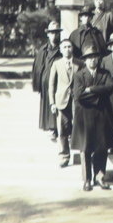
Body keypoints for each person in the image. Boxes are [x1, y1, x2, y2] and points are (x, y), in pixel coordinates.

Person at [71, 42, 113, 192]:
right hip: (84, 118)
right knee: (85, 150)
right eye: (89, 58)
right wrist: (98, 96)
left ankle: (100, 177)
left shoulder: (105, 74)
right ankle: (87, 180)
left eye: (95, 57)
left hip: (102, 116)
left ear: (98, 59)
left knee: (101, 148)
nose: (92, 60)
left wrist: (90, 89)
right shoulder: (79, 75)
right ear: (84, 60)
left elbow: (109, 88)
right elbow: (79, 95)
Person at [46, 36, 78, 168]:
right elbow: (51, 84)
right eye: (64, 47)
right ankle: (64, 156)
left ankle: (83, 154)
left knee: (79, 128)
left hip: (77, 102)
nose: (67, 49)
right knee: (63, 130)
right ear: (60, 49)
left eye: (69, 47)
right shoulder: (56, 64)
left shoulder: (79, 64)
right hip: (61, 101)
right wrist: (52, 103)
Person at [31, 20, 61, 136]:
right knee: (48, 104)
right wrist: (38, 84)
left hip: (59, 81)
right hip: (46, 82)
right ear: (48, 34)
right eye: (52, 33)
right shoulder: (43, 50)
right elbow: (37, 68)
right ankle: (51, 127)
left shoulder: (62, 49)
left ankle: (58, 128)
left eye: (56, 32)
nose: (54, 35)